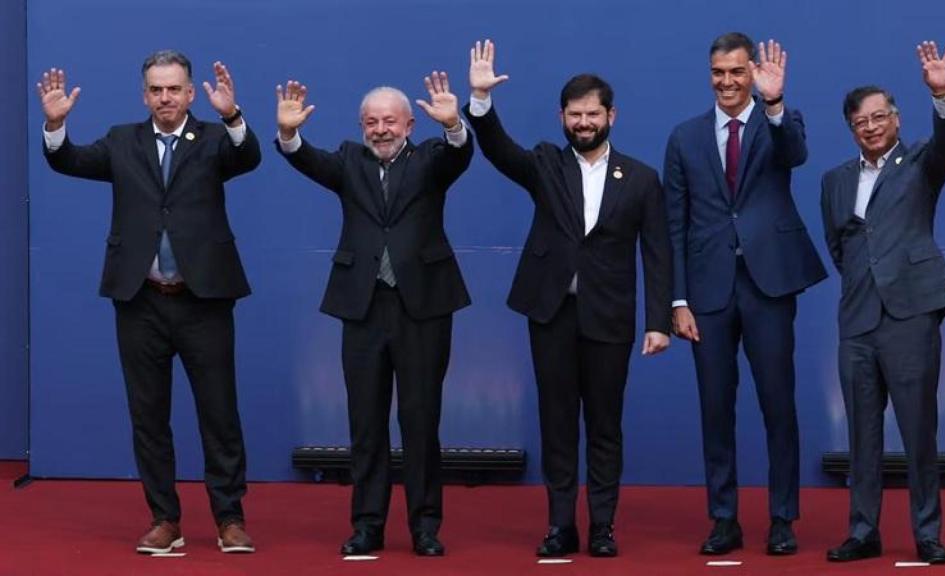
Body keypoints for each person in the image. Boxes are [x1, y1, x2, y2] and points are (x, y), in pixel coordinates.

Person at [39, 50, 260, 554]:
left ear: (188, 92)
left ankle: (229, 519)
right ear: (145, 95)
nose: (165, 97)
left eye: (174, 89)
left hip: (204, 300)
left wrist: (231, 114)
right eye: (156, 90)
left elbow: (247, 157)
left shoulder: (212, 140)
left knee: (220, 413)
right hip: (139, 301)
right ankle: (165, 520)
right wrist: (55, 127)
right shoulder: (122, 141)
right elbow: (69, 160)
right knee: (148, 416)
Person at [463, 39, 672, 558]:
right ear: (562, 117)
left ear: (611, 115)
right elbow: (496, 149)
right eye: (574, 114)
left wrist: (659, 320)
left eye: (592, 113)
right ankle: (561, 526)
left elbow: (658, 253)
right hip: (550, 313)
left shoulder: (642, 178)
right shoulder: (544, 165)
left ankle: (602, 527)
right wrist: (481, 102)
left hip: (610, 317)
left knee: (605, 426)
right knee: (557, 423)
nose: (583, 122)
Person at [275, 72, 472, 557]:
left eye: (390, 121)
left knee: (421, 420)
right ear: (362, 126)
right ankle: (367, 525)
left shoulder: (430, 159)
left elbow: (459, 154)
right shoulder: (348, 160)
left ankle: (425, 526)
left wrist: (454, 126)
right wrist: (288, 134)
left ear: (409, 124)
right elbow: (307, 160)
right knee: (365, 423)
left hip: (423, 306)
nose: (380, 129)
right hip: (362, 306)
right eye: (371, 122)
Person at [662, 32, 826, 556]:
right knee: (715, 408)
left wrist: (775, 102)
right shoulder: (684, 137)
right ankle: (724, 518)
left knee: (778, 404)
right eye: (719, 73)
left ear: (753, 73)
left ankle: (782, 519)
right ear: (709, 74)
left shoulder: (781, 121)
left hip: (768, 284)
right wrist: (677, 299)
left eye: (737, 72)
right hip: (707, 291)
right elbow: (675, 224)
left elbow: (794, 155)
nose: (728, 82)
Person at [821, 41, 945, 565]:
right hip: (856, 320)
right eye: (862, 121)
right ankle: (863, 531)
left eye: (881, 117)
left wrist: (942, 93)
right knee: (861, 435)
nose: (872, 126)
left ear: (897, 121)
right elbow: (841, 247)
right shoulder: (834, 181)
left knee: (919, 430)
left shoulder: (922, 161)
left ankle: (927, 533)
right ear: (851, 128)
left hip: (910, 317)